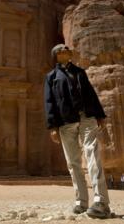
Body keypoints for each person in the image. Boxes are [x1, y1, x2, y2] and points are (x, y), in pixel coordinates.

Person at [44, 44, 110, 219]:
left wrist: (100, 115)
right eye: (63, 49)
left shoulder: (80, 72)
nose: (67, 49)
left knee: (92, 155)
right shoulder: (51, 77)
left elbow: (90, 94)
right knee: (73, 163)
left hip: (87, 118)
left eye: (67, 49)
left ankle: (101, 202)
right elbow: (49, 103)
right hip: (66, 122)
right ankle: (81, 202)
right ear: (57, 54)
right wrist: (52, 126)